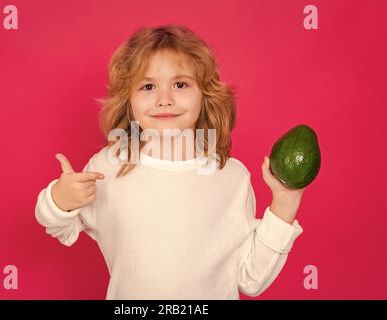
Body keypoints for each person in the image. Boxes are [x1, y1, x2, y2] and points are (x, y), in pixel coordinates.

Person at [35, 24, 306, 300]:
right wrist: (59, 199)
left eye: (180, 84)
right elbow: (60, 226)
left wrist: (285, 202)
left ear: (204, 94)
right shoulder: (109, 166)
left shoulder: (232, 176)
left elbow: (250, 279)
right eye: (148, 86)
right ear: (128, 100)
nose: (164, 100)